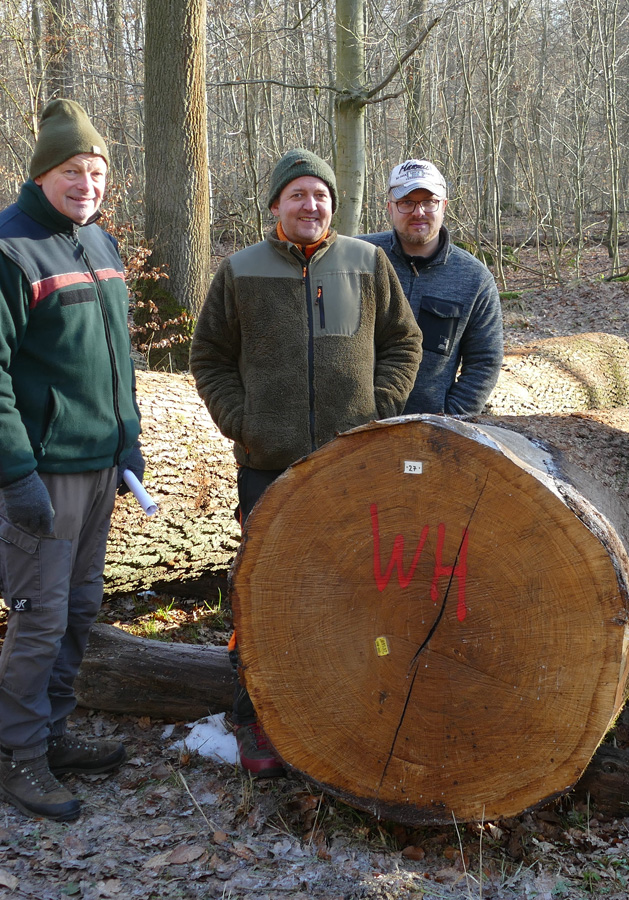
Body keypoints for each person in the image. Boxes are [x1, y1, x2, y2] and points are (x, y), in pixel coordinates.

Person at [190, 148, 422, 778]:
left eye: (319, 195)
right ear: (275, 206)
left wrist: (378, 407)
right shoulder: (241, 271)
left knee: (358, 587)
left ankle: (351, 705)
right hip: (270, 464)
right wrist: (245, 423)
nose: (310, 205)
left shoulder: (367, 262)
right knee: (265, 591)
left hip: (354, 463)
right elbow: (208, 356)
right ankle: (254, 714)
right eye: (297, 195)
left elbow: (404, 341)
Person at [0, 99, 142, 822]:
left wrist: (129, 437)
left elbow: (119, 361)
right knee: (38, 616)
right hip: (45, 473)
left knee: (80, 611)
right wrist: (15, 477)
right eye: (71, 170)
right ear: (42, 175)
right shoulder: (1, 252)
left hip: (99, 470)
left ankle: (52, 734)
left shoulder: (100, 244)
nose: (86, 183)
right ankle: (18, 755)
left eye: (95, 171)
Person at [359, 159, 503, 414]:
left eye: (429, 201)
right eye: (407, 202)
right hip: (352, 424)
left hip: (430, 430)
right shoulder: (359, 258)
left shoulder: (474, 279)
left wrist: (450, 417)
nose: (418, 212)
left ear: (444, 206)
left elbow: (484, 361)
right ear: (389, 208)